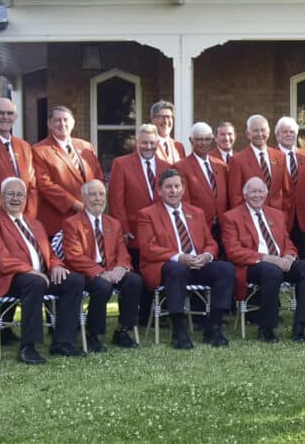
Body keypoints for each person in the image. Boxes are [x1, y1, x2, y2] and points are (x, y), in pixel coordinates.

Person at [0, 177, 85, 364]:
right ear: (2, 197)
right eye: (11, 194)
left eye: (20, 194)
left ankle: (63, 342)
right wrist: (29, 270)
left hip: (40, 276)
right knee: (34, 282)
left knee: (74, 281)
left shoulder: (34, 223)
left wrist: (56, 265)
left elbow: (49, 253)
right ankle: (28, 347)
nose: (15, 198)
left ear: (26, 198)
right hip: (8, 279)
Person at [136, 169, 234, 349]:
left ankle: (213, 327)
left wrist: (206, 256)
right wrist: (179, 257)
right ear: (159, 191)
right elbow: (148, 247)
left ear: (183, 189)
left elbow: (210, 242)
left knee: (226, 269)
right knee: (177, 270)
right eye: (168, 187)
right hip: (166, 267)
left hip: (197, 264)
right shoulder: (147, 214)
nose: (173, 191)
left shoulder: (196, 212)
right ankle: (179, 330)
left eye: (176, 186)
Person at [221, 177, 305, 342]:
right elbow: (233, 252)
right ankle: (267, 328)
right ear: (245, 195)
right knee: (271, 271)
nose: (257, 195)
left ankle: (300, 326)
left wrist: (289, 256)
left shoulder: (277, 215)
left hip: (280, 262)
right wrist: (267, 258)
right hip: (253, 265)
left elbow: (287, 243)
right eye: (253, 191)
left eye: (261, 191)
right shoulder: (231, 217)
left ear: (266, 194)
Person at [62, 180, 142, 351]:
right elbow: (74, 256)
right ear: (83, 198)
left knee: (134, 281)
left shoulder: (113, 223)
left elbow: (122, 250)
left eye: (101, 194)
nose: (98, 198)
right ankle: (93, 335)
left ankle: (122, 330)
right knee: (102, 286)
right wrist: (100, 272)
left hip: (112, 269)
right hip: (85, 273)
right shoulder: (72, 223)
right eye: (92, 194)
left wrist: (122, 267)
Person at [108, 124, 169, 326]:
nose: (148, 146)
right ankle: (130, 318)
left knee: (155, 272)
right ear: (137, 142)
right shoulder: (121, 164)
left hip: (158, 233)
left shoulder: (166, 166)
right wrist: (123, 230)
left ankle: (150, 316)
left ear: (157, 143)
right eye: (144, 142)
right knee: (135, 276)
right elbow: (116, 201)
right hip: (132, 233)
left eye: (152, 143)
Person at [32, 105, 104, 237]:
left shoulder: (86, 146)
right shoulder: (39, 150)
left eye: (66, 120)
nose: (62, 124)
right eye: (57, 120)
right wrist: (76, 205)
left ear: (73, 123)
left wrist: (94, 200)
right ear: (49, 124)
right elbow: (45, 185)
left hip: (90, 218)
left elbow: (98, 177)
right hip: (60, 220)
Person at [174, 122, 229, 254]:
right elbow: (184, 202)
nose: (204, 143)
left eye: (207, 139)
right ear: (191, 140)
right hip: (199, 227)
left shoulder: (221, 165)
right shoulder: (181, 167)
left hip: (223, 227)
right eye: (199, 139)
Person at [275, 117, 305, 260]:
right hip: (279, 217)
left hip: (302, 218)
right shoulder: (270, 156)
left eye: (292, 132)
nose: (289, 135)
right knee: (280, 255)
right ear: (277, 135)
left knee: (302, 256)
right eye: (284, 132)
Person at [227, 114, 291, 212]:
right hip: (251, 219)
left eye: (263, 130)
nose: (260, 134)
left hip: (277, 218)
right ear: (248, 134)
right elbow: (235, 197)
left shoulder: (280, 156)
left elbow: (286, 191)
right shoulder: (237, 160)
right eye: (255, 130)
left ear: (269, 132)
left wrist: (285, 216)